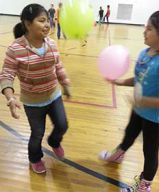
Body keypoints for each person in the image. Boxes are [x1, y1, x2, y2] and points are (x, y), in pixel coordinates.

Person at [0, 4, 71, 174]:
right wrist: (10, 97)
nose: (47, 24)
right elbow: (6, 76)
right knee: (37, 134)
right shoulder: (15, 49)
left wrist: (65, 82)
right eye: (41, 20)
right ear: (27, 24)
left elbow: (58, 66)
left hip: (54, 95)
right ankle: (35, 158)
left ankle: (54, 141)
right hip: (33, 102)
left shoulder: (52, 44)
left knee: (62, 125)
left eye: (48, 20)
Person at [99, 11, 159, 192]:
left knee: (149, 152)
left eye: (149, 29)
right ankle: (118, 155)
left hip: (155, 119)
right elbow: (138, 78)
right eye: (145, 27)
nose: (144, 31)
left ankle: (144, 185)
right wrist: (120, 82)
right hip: (138, 109)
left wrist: (142, 101)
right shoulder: (143, 53)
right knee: (129, 133)